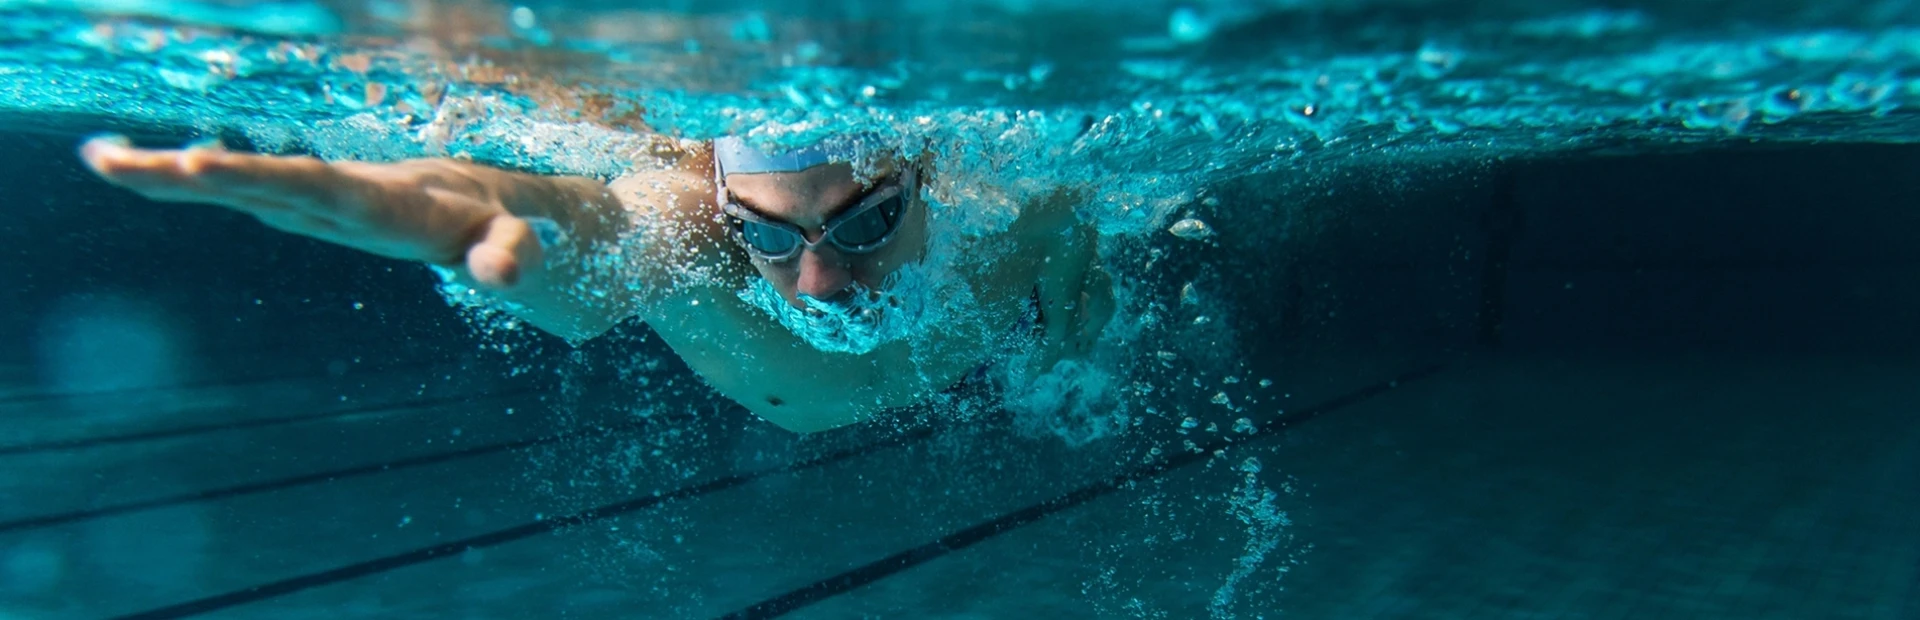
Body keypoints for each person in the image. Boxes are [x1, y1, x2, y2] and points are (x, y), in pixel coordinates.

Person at [79, 132, 1114, 433]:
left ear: (926, 174)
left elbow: (1080, 309)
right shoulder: (682, 224)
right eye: (762, 232)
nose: (820, 278)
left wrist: (1066, 376)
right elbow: (608, 235)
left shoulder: (1032, 212)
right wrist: (475, 216)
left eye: (871, 220)